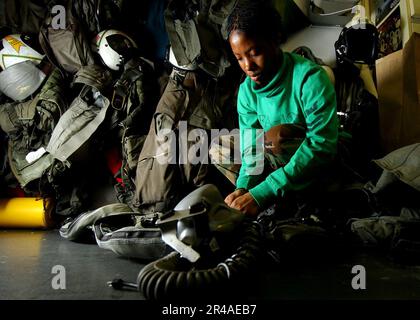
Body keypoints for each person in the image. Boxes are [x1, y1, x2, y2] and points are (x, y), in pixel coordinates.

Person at [214, 0, 339, 218]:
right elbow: (251, 146)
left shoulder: (310, 78)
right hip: (277, 161)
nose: (248, 66)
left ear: (275, 39)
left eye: (254, 52)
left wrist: (264, 192)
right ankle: (263, 195)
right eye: (239, 58)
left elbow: (322, 145)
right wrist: (243, 187)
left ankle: (291, 195)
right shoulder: (247, 92)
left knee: (276, 139)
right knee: (218, 146)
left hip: (318, 162)